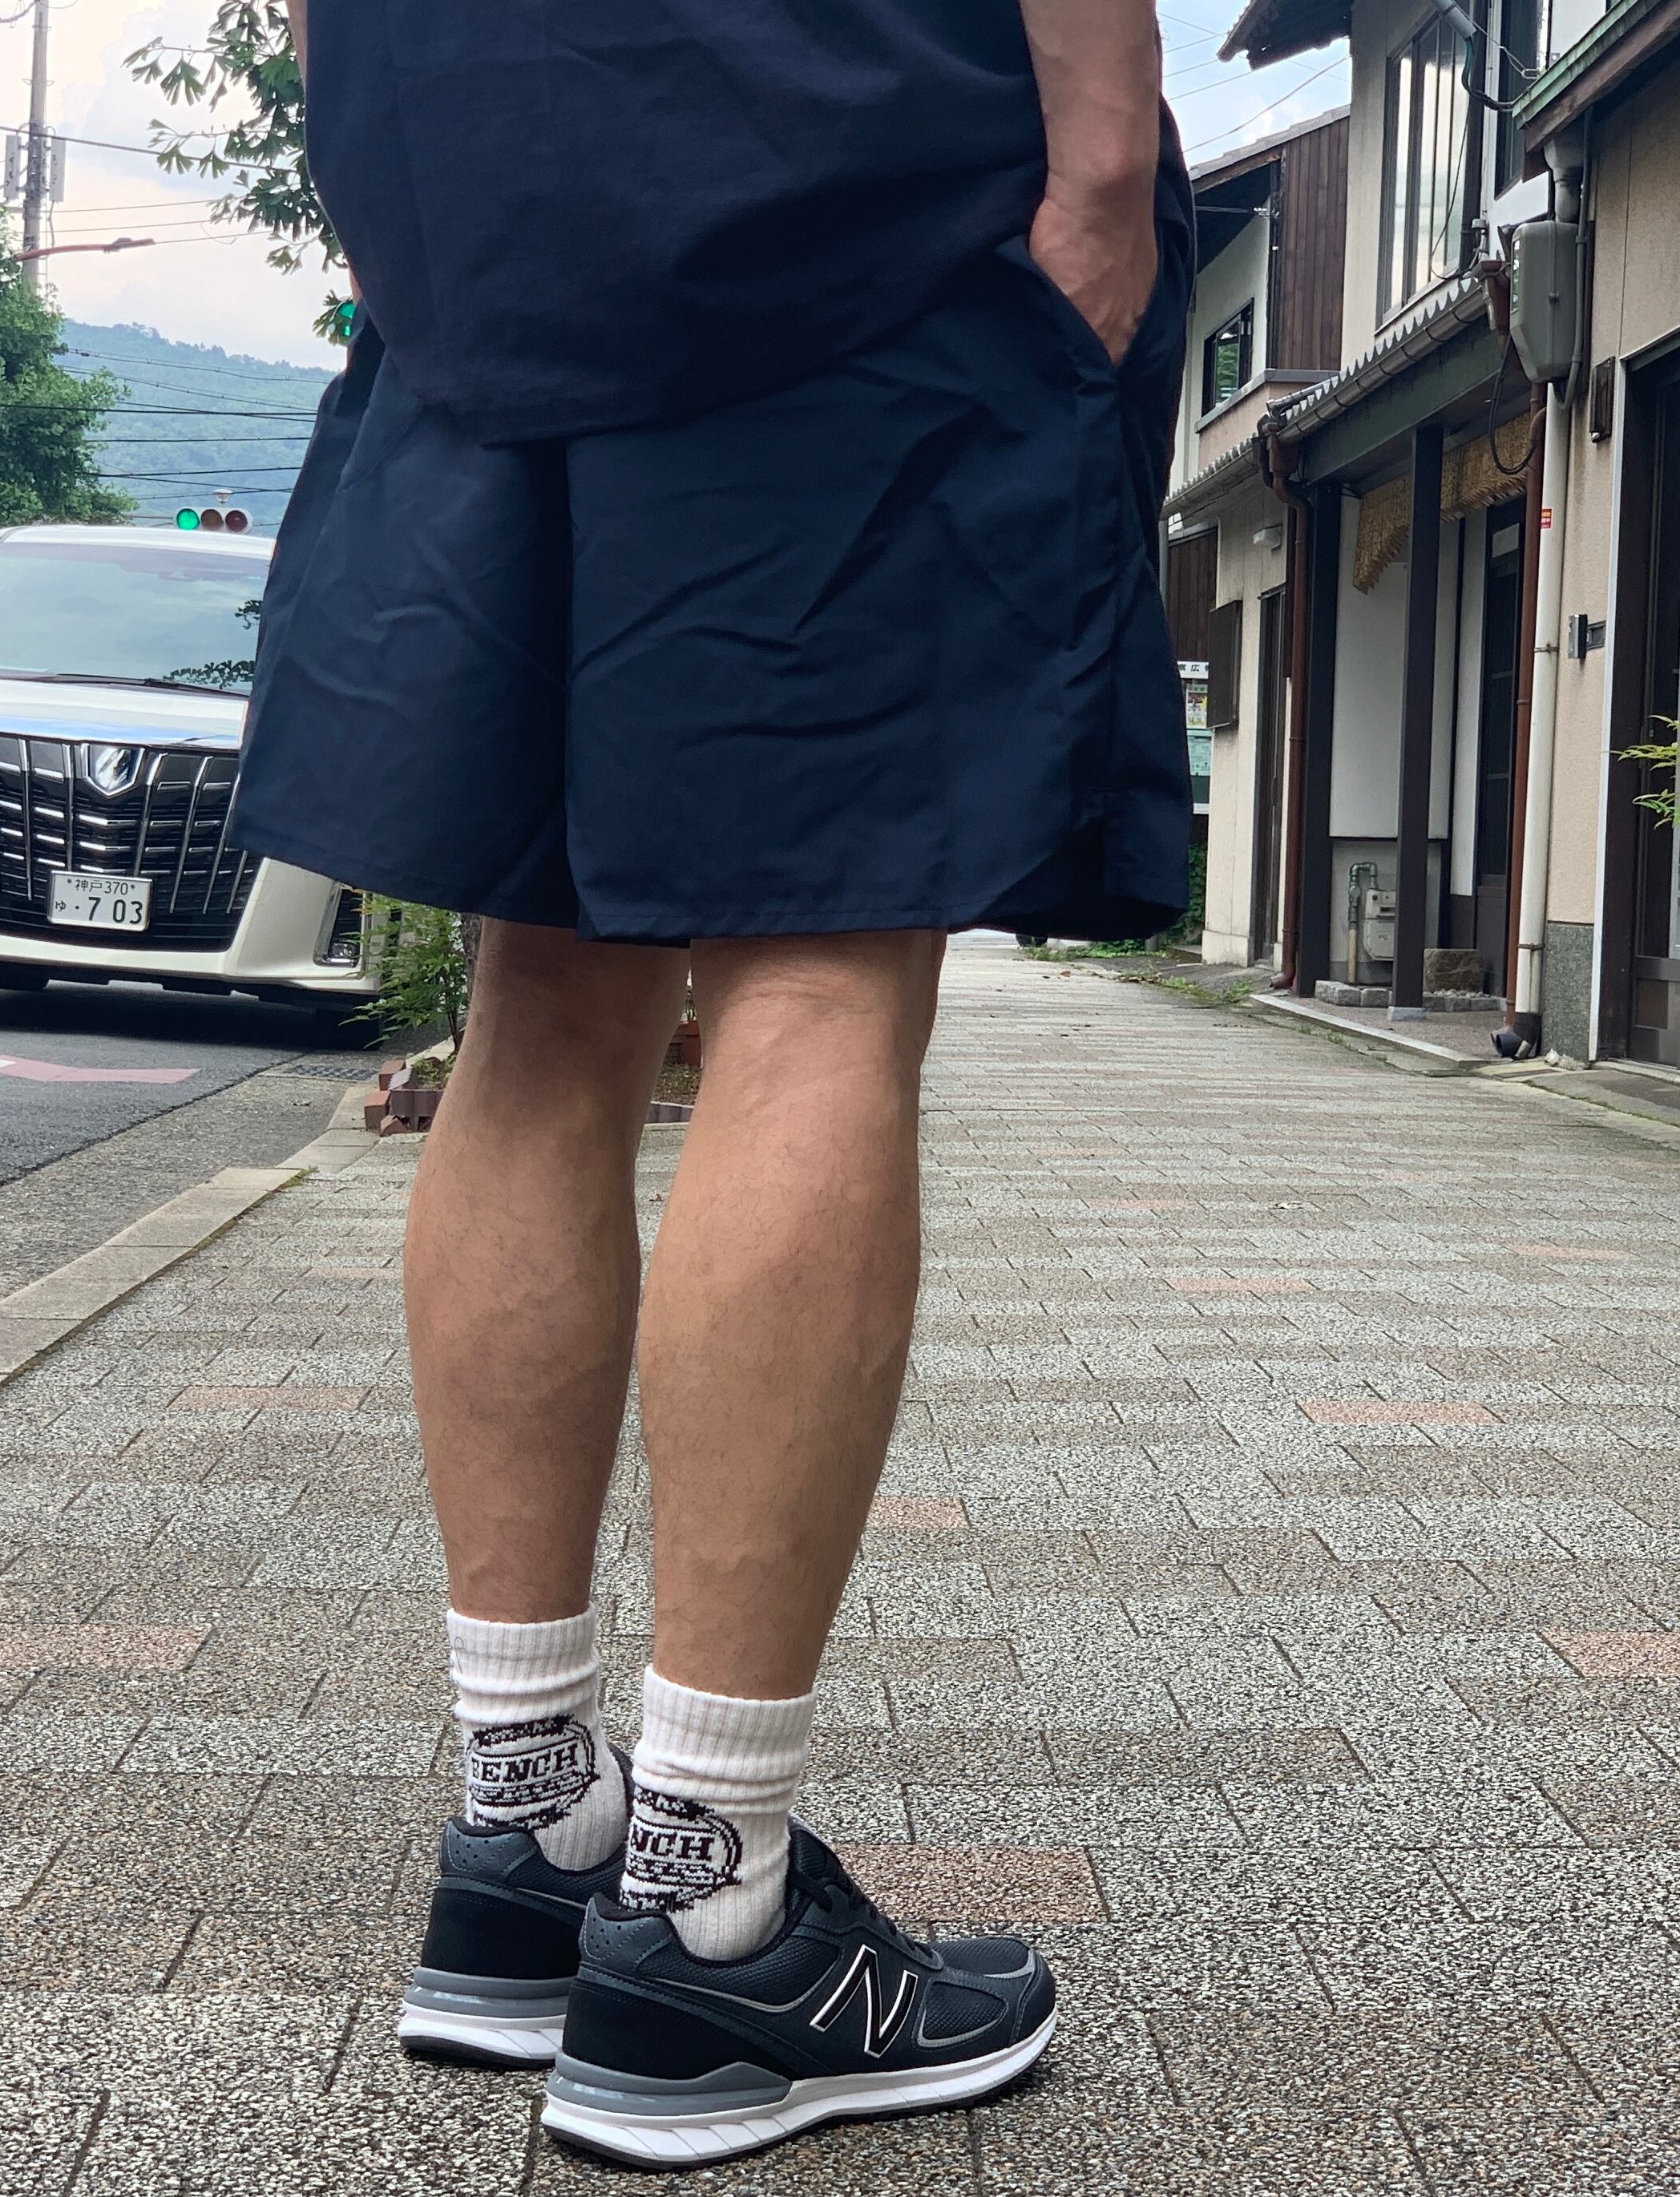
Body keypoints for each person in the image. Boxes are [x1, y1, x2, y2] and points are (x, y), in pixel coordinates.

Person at [239, 0, 1191, 2167]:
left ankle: (527, 1828)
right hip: (836, 168)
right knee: (819, 965)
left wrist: (386, 150)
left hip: (476, 183)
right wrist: (1099, 168)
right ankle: (709, 1909)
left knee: (541, 992)